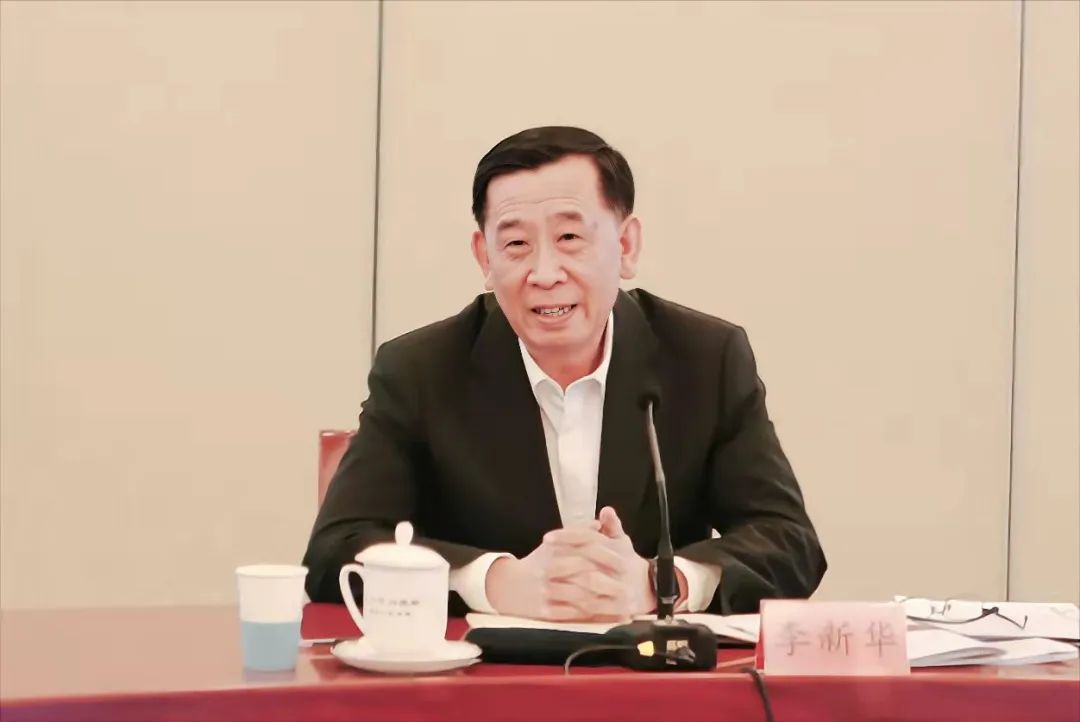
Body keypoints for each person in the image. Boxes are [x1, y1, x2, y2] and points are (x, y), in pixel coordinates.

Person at [303, 126, 826, 620]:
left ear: (626, 246)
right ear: (485, 257)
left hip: (649, 673)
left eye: (570, 237)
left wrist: (658, 583)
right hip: (484, 677)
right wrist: (496, 582)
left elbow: (789, 543)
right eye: (516, 244)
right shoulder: (420, 370)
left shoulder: (705, 358)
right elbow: (335, 550)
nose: (545, 273)